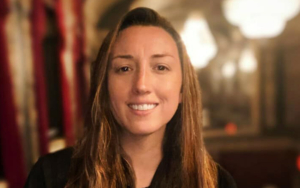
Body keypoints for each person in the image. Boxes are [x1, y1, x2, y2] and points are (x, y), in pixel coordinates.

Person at [24, 7, 237, 188]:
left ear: (182, 89)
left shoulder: (217, 182)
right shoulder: (51, 177)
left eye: (161, 67)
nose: (141, 85)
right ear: (104, 85)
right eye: (124, 68)